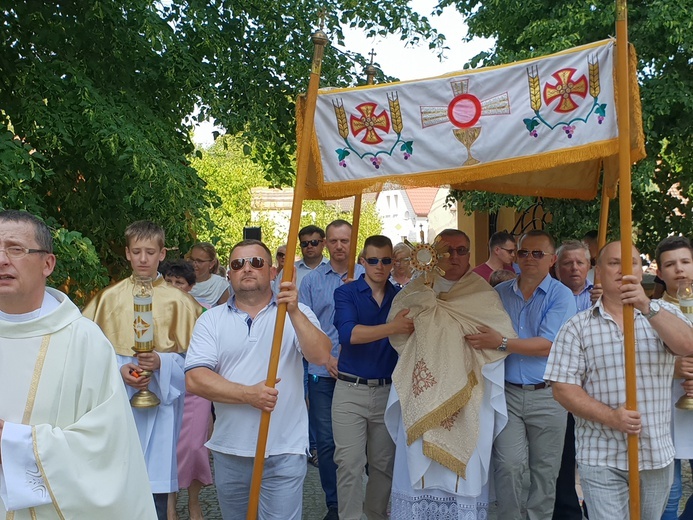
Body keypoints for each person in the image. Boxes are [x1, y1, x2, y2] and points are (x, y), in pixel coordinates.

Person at [0, 210, 156, 519]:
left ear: (48, 264)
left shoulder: (84, 341)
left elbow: (107, 448)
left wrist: (11, 442)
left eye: (15, 249)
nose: (3, 260)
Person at [545, 240, 693, 519]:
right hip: (601, 456)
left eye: (632, 263)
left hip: (654, 454)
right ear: (598, 271)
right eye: (614, 263)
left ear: (641, 271)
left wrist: (646, 307)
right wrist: (612, 417)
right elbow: (563, 389)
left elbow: (687, 345)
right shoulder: (577, 327)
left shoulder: (664, 314)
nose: (624, 270)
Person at [184, 239, 331, 520]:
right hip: (231, 451)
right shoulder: (211, 320)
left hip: (284, 450)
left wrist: (294, 311)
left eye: (256, 262)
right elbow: (195, 379)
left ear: (273, 272)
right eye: (238, 264)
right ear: (229, 274)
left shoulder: (295, 314)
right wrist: (248, 395)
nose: (247, 269)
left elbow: (322, 356)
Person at [385, 229, 517, 519]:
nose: (454, 257)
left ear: (470, 254)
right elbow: (399, 336)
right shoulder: (416, 291)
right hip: (421, 391)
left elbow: (499, 340)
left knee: (464, 469)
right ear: (433, 252)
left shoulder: (483, 294)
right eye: (447, 250)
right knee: (418, 462)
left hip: (469, 395)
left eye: (461, 250)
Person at [83, 220, 203, 520]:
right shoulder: (107, 299)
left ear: (162, 254)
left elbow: (196, 362)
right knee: (116, 487)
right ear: (127, 253)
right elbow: (88, 355)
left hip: (161, 409)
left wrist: (162, 363)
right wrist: (117, 371)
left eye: (150, 252)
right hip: (118, 405)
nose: (143, 259)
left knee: (155, 494)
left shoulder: (180, 302)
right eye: (136, 252)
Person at [466, 229, 577, 520]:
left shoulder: (562, 296)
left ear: (552, 259)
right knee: (509, 465)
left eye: (537, 253)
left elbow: (547, 345)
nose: (529, 258)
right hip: (507, 393)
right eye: (523, 252)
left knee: (545, 470)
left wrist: (501, 343)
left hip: (549, 394)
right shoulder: (500, 293)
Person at [331, 235, 413, 519]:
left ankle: (375, 515)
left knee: (383, 466)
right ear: (362, 262)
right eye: (374, 260)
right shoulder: (346, 293)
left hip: (389, 391)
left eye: (386, 260)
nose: (380, 266)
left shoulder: (401, 296)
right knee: (349, 463)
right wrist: (393, 327)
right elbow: (349, 335)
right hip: (349, 389)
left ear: (394, 263)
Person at [298, 219, 365, 520]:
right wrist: (326, 358)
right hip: (323, 372)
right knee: (326, 444)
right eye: (334, 241)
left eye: (345, 241)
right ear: (326, 243)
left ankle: (362, 503)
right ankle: (335, 506)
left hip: (360, 373)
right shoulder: (312, 281)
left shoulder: (367, 277)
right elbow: (304, 325)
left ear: (354, 242)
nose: (340, 246)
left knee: (360, 448)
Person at [163, 260, 213, 520]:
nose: (173, 287)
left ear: (191, 286)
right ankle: (170, 505)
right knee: (167, 447)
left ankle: (194, 501)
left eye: (179, 283)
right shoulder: (152, 310)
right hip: (163, 386)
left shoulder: (204, 312)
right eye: (168, 282)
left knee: (195, 447)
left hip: (197, 388)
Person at [552, 240, 594, 520]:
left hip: (595, 390)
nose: (574, 268)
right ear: (556, 267)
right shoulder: (552, 296)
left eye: (580, 262)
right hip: (563, 388)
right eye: (568, 262)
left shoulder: (603, 294)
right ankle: (567, 512)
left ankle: (596, 510)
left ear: (589, 266)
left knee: (593, 458)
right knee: (563, 458)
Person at [655, 237, 693, 520]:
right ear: (659, 272)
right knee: (670, 490)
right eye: (670, 264)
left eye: (685, 262)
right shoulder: (652, 312)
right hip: (665, 408)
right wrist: (674, 367)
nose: (679, 270)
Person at [273, 225, 328, 293]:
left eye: (314, 242)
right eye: (304, 243)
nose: (309, 246)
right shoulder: (289, 271)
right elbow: (276, 296)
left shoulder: (333, 269)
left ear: (323, 243)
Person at [188, 242, 230, 306]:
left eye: (199, 261)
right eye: (191, 259)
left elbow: (225, 312)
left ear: (211, 264)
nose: (194, 264)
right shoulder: (180, 281)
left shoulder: (220, 285)